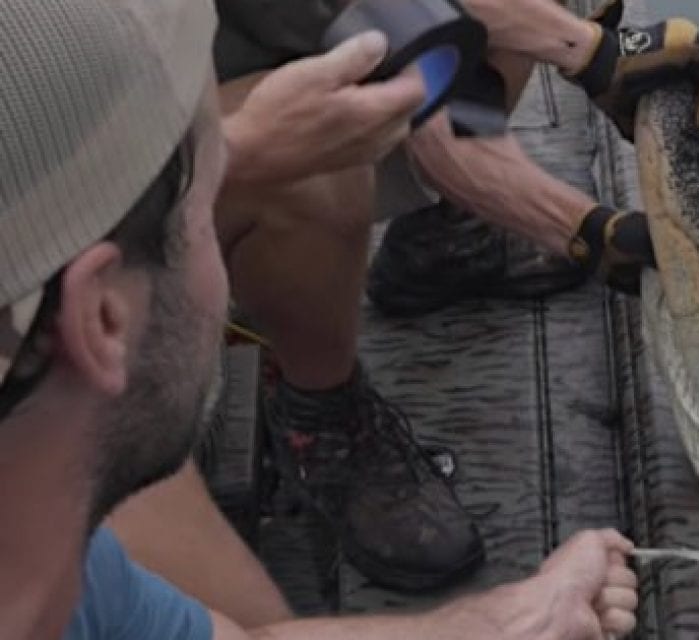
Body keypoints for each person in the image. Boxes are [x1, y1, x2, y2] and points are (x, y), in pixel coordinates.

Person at [0, 1, 639, 638]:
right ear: (104, 318)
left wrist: (521, 621)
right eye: (197, 211)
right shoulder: (64, 569)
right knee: (309, 170)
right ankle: (320, 419)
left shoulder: (59, 572)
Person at [107, 0, 699, 600]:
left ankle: (449, 243)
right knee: (319, 165)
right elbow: (432, 116)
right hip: (94, 211)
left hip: (190, 92)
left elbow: (391, 27)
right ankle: (322, 414)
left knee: (455, 33)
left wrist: (599, 53)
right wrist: (589, 235)